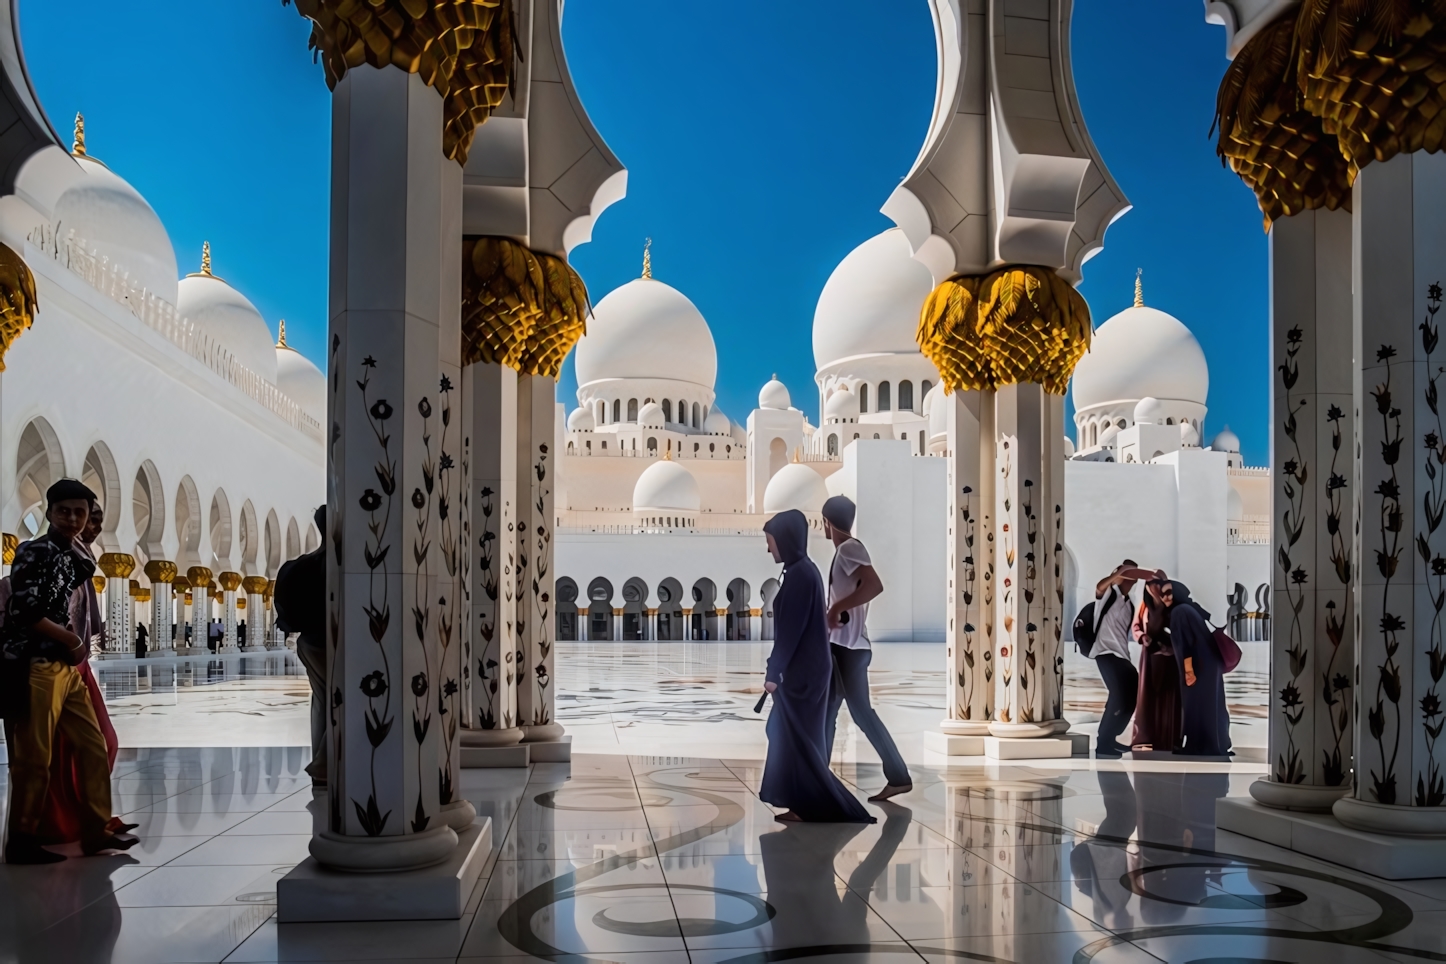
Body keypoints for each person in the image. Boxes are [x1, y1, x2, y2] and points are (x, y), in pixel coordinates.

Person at [0, 479, 137, 862]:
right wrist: (69, 639)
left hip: (66, 667)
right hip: (37, 664)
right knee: (35, 757)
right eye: (65, 511)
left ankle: (95, 830)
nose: (73, 519)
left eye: (80, 512)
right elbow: (24, 611)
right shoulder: (33, 551)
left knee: (93, 745)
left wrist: (72, 648)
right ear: (50, 512)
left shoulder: (76, 555)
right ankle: (22, 841)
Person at [759, 509, 874, 824]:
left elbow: (791, 631)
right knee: (789, 734)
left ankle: (813, 804)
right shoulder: (800, 571)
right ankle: (801, 801)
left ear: (785, 540)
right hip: (805, 671)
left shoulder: (800, 576)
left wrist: (773, 673)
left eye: (771, 542)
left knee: (797, 738)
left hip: (804, 675)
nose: (769, 548)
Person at [819, 495, 911, 801]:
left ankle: (898, 775)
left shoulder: (849, 548)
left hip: (848, 649)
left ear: (826, 523)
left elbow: (874, 585)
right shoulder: (847, 551)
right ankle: (819, 776)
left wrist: (836, 609)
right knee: (830, 712)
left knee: (860, 714)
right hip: (844, 647)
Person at [273, 505, 327, 787]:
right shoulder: (334, 563)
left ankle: (322, 760)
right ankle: (326, 763)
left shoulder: (302, 564)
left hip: (308, 642)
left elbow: (286, 612)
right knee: (337, 701)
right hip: (329, 642)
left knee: (321, 701)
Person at [1157, 579, 1230, 757]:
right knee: (1212, 704)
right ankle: (1217, 744)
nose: (1165, 597)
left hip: (1198, 666)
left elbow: (1186, 645)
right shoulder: (1189, 609)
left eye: (1169, 592)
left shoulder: (1179, 612)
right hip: (1209, 664)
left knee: (1195, 705)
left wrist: (1189, 672)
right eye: (1162, 593)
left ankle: (1198, 746)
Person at [1087, 561, 1140, 758]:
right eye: (1126, 572)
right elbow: (1099, 587)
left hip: (1122, 655)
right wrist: (1118, 574)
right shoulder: (1109, 594)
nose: (1130, 576)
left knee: (1131, 695)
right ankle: (1104, 743)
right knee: (1118, 697)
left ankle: (1111, 738)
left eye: (1133, 573)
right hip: (1106, 653)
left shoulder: (1130, 602)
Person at [1131, 573, 1181, 751]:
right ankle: (1145, 736)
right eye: (1151, 583)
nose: (1154, 587)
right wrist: (1143, 637)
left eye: (1158, 583)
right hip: (1149, 657)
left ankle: (1168, 737)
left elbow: (1178, 633)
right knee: (1147, 695)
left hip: (1168, 659)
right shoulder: (1144, 606)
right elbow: (1136, 627)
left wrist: (1168, 649)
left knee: (1168, 696)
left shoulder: (1171, 606)